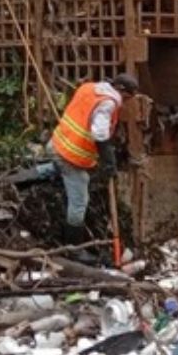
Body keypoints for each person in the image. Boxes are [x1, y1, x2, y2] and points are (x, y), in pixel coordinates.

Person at [48, 73, 139, 263]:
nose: (126, 101)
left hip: (57, 144)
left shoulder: (89, 88)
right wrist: (108, 161)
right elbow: (99, 133)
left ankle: (23, 176)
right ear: (121, 89)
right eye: (128, 97)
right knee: (80, 199)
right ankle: (73, 250)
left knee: (59, 169)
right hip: (70, 155)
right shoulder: (108, 102)